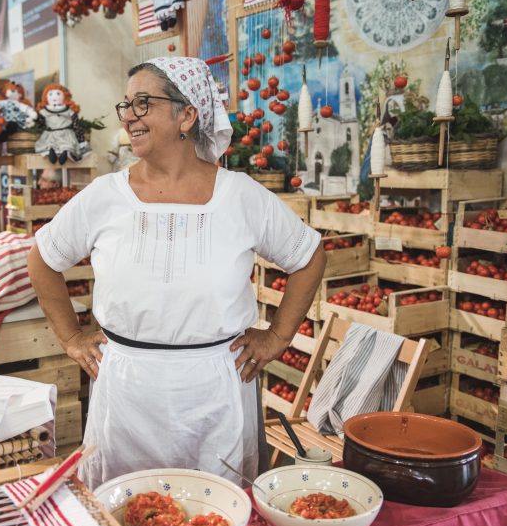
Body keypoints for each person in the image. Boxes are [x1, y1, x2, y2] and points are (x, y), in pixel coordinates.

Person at [27, 57, 326, 490]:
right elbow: (43, 259)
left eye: (144, 103)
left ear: (187, 114)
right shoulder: (105, 196)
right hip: (128, 389)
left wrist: (277, 337)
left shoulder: (239, 195)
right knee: (126, 508)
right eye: (126, 104)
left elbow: (308, 256)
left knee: (218, 506)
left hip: (216, 390)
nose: (129, 115)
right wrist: (71, 338)